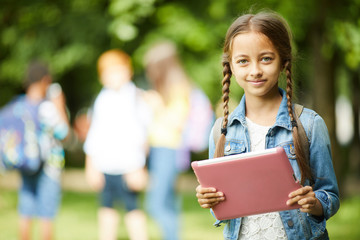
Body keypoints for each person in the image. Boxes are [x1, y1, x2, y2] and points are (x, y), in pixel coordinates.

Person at [195, 11, 340, 240]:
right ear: (231, 66)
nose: (255, 71)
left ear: (283, 62)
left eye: (266, 58)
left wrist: (314, 203)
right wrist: (210, 200)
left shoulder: (310, 125)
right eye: (243, 61)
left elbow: (330, 196)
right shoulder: (220, 131)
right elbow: (222, 211)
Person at [143, 41, 213, 240]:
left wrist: (157, 106)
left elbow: (178, 123)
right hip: (161, 150)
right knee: (168, 204)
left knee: (156, 204)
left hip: (169, 150)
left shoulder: (179, 88)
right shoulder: (170, 88)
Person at [83, 49, 150, 240]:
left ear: (128, 71)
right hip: (105, 164)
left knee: (133, 210)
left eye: (117, 71)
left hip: (129, 165)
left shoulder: (136, 97)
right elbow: (94, 135)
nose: (113, 76)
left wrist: (140, 166)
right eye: (108, 72)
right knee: (106, 209)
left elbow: (143, 136)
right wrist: (90, 165)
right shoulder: (101, 99)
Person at [0, 61, 70, 240]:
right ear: (46, 81)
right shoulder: (47, 107)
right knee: (46, 215)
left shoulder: (18, 106)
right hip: (49, 169)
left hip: (25, 165)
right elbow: (64, 133)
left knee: (26, 212)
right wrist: (60, 105)